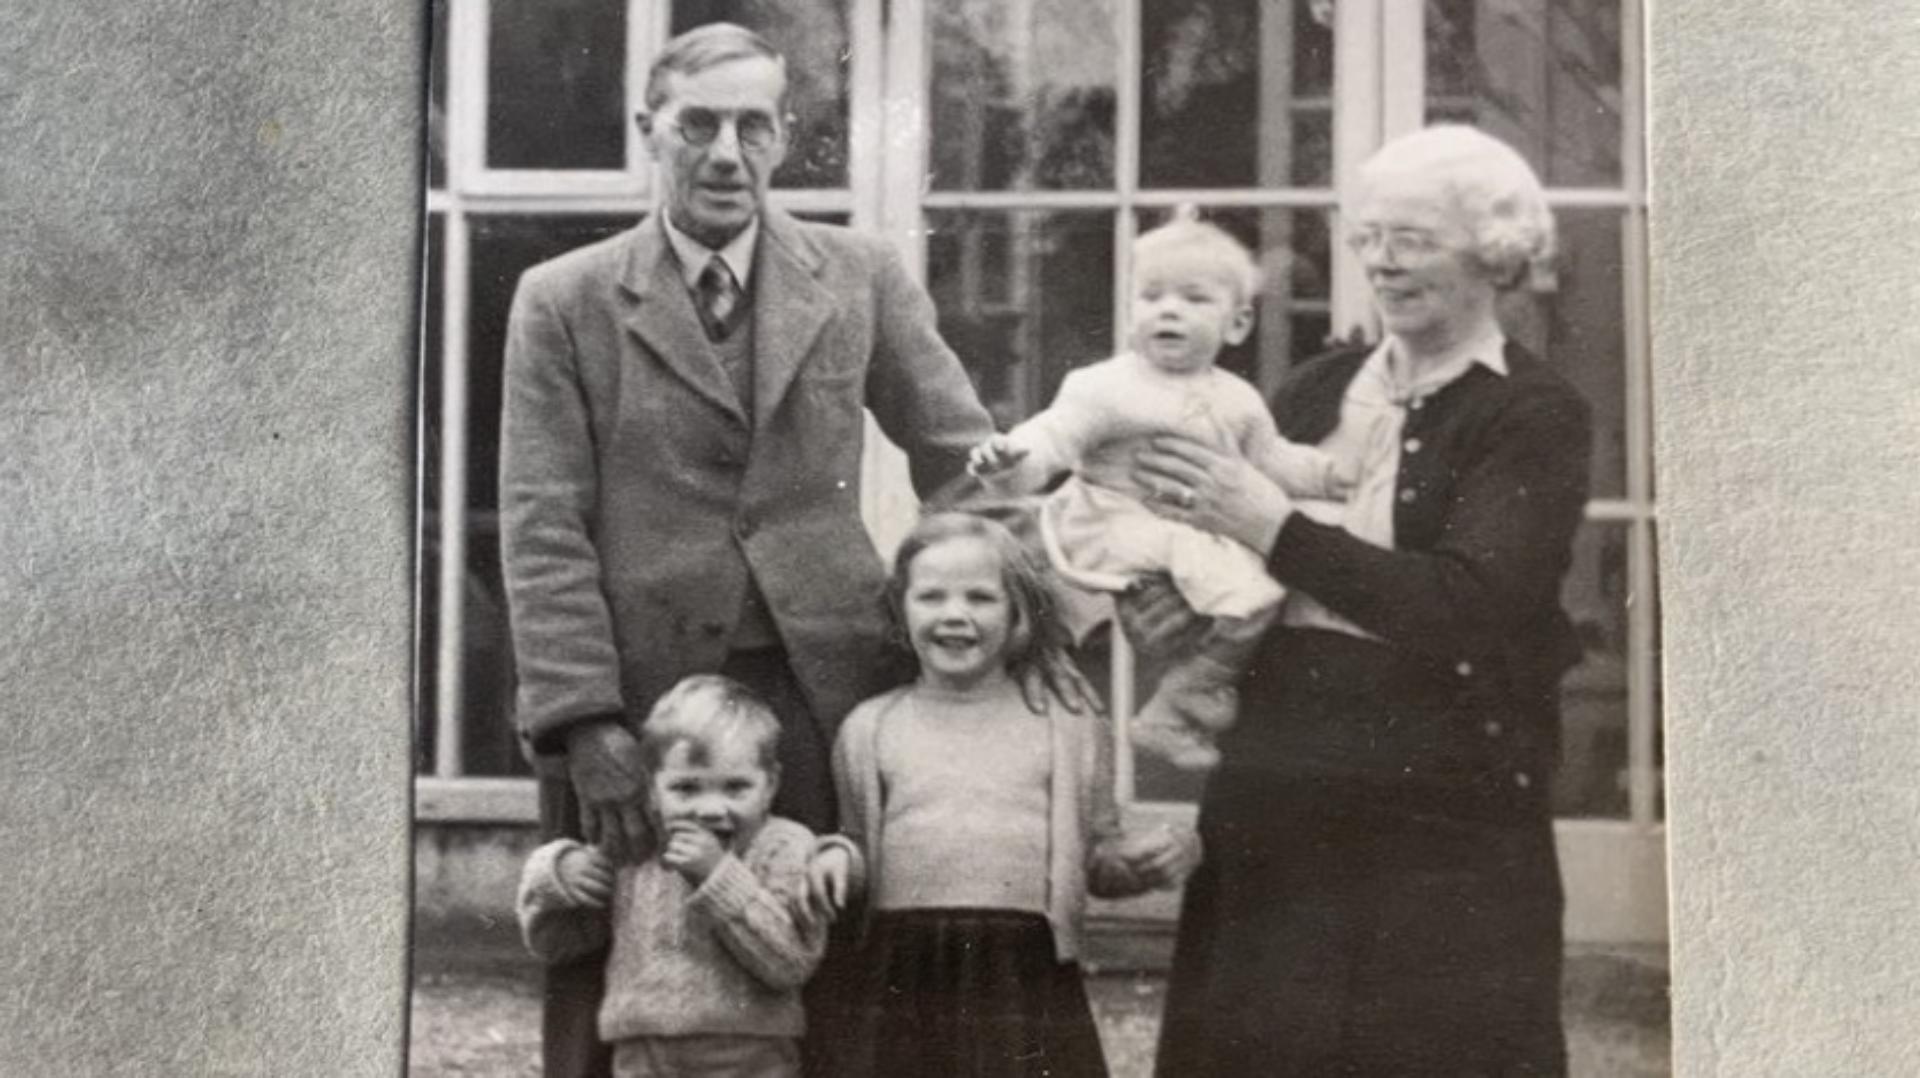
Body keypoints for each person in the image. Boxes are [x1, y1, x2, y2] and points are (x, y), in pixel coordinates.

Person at [497, 22, 995, 1076]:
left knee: (825, 964)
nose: (726, 152)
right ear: (650, 132)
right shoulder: (564, 300)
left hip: (824, 692)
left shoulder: (859, 274)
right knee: (609, 972)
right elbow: (542, 521)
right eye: (699, 125)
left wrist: (988, 613)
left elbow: (965, 458)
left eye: (753, 126)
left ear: (783, 138)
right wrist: (584, 718)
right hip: (635, 700)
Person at [1136, 125, 1594, 1075]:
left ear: (1492, 251)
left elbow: (1470, 604)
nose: (1381, 262)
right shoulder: (1315, 388)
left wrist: (1273, 527)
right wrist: (1180, 603)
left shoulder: (1534, 415)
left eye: (1412, 240)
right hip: (1280, 780)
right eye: (1368, 236)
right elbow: (1234, 552)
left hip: (1441, 807)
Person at [806, 512, 1199, 1077]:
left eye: (981, 598)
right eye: (932, 597)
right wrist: (837, 857)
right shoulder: (870, 727)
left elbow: (1100, 859)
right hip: (902, 973)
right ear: (899, 609)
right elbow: (858, 843)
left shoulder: (1067, 725)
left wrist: (1149, 863)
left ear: (1019, 612)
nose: (955, 615)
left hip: (1024, 975)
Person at [969, 209, 1356, 771]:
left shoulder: (1237, 398)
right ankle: (1190, 694)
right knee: (1248, 594)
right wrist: (1011, 460)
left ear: (1238, 323)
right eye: (1152, 296)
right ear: (1132, 311)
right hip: (1114, 521)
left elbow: (1270, 460)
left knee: (1264, 586)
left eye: (1194, 298)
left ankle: (1178, 701)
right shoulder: (1105, 386)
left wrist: (1329, 475)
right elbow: (1054, 436)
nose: (1169, 309)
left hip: (1187, 529)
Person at [516, 675, 833, 1078]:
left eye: (736, 787)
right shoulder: (635, 846)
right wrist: (558, 875)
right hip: (641, 1051)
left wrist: (717, 876)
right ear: (651, 788)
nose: (711, 809)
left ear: (770, 784)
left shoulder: (784, 846)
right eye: (686, 788)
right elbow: (557, 945)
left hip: (749, 1053)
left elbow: (790, 963)